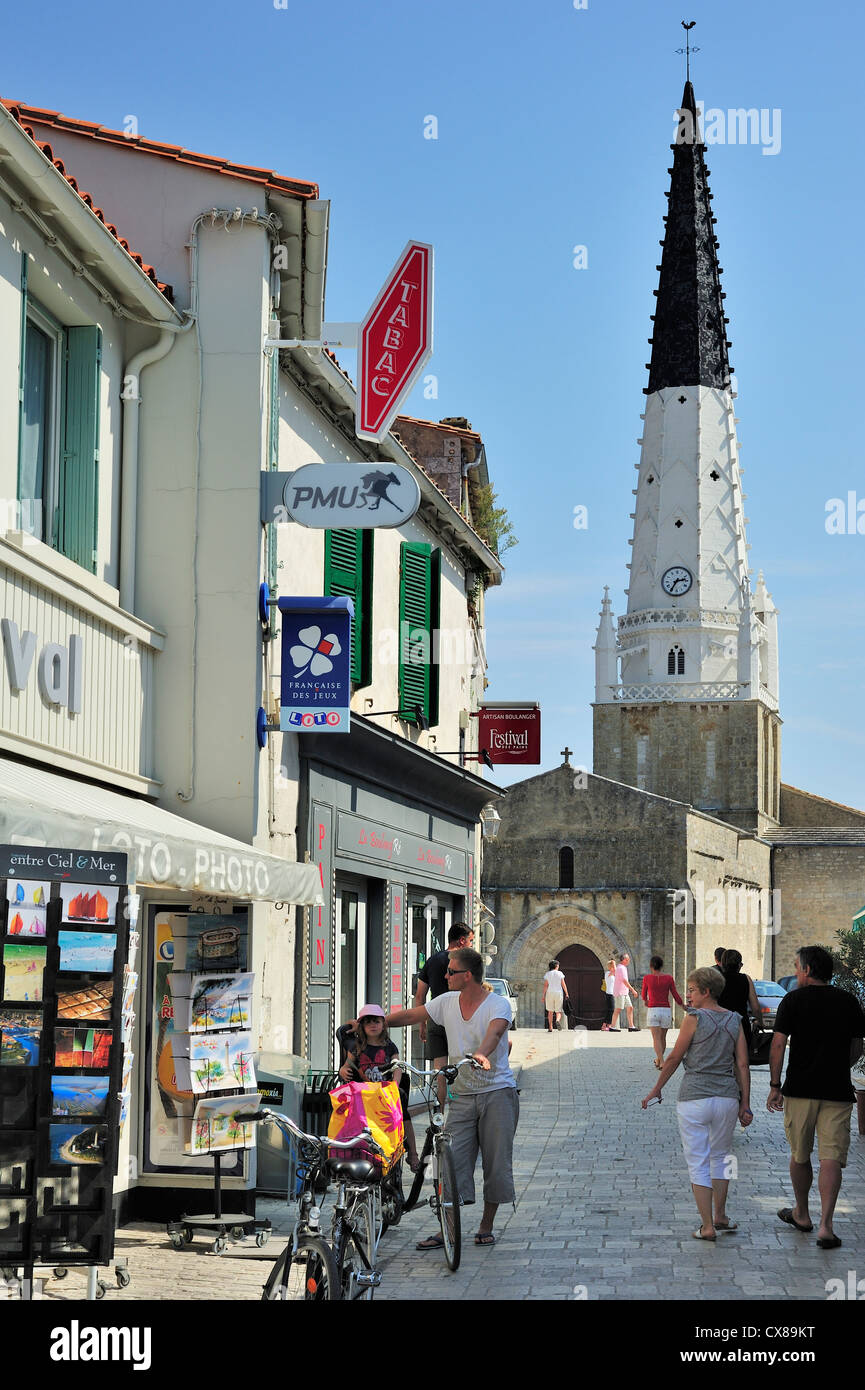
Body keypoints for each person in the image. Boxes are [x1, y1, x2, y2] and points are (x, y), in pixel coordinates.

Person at [385, 947, 518, 1249]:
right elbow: (411, 1014)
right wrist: (377, 1022)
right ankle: (448, 1229)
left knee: (496, 1164)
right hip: (462, 1095)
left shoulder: (497, 1004)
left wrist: (482, 1053)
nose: (444, 976)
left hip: (497, 1092)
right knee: (449, 1164)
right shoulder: (446, 1002)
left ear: (467, 976)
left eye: (450, 972)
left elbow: (495, 1034)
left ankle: (486, 1224)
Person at [642, 966, 753, 1239]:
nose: (688, 996)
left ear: (706, 991)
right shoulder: (734, 1019)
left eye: (691, 990)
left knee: (698, 1161)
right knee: (722, 1156)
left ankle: (707, 1226)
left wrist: (657, 1088)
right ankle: (721, 1215)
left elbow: (675, 1058)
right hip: (727, 1097)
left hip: (694, 1097)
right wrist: (745, 1103)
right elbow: (742, 1064)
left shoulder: (693, 1018)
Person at [768, 945, 865, 1249]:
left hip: (800, 1090)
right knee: (831, 1157)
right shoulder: (849, 1001)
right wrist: (838, 1067)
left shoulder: (793, 1000)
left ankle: (802, 1213)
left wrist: (774, 1084)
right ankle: (826, 1225)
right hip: (837, 1091)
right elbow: (857, 1046)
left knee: (800, 1154)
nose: (796, 972)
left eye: (797, 966)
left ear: (808, 970)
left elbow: (778, 1045)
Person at [337, 1004, 419, 1171]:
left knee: (404, 1116)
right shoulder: (357, 1047)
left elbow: (397, 1067)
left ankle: (413, 1154)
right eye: (368, 1022)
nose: (373, 1025)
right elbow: (346, 1065)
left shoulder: (389, 1046)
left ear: (383, 1024)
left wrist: (394, 1086)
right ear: (362, 1026)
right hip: (365, 1096)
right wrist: (343, 1070)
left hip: (386, 1093)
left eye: (376, 1021)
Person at [414, 922, 474, 1104]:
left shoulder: (432, 961)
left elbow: (420, 996)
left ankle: (438, 1113)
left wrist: (422, 1024)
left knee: (439, 1071)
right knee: (461, 1068)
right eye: (471, 940)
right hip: (460, 1020)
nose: (472, 944)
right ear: (462, 941)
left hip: (435, 1019)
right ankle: (460, 1110)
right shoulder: (466, 962)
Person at [641, 955, 684, 1068]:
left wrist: (646, 1001)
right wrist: (683, 1005)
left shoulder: (647, 978)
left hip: (653, 1010)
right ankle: (658, 1060)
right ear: (662, 966)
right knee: (662, 1038)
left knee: (656, 1038)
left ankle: (662, 1061)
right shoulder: (669, 978)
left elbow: (643, 995)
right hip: (666, 1011)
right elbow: (675, 994)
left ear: (651, 966)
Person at [717, 949, 760, 1049]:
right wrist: (760, 1022)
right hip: (741, 1025)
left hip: (720, 1025)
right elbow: (756, 1008)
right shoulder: (746, 979)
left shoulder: (717, 979)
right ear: (739, 964)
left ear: (722, 963)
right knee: (741, 1060)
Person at [609, 953, 640, 1032]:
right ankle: (612, 1027)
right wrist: (632, 990)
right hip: (620, 992)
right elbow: (624, 980)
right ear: (623, 960)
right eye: (627, 959)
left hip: (624, 992)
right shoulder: (621, 968)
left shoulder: (622, 968)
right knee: (618, 1009)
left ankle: (631, 1026)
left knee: (630, 1008)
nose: (628, 960)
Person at [542, 959, 568, 1031]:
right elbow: (563, 984)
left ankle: (550, 1027)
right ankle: (557, 1020)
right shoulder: (560, 973)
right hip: (558, 993)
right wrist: (566, 993)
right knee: (558, 1011)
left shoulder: (548, 974)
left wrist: (543, 996)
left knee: (550, 1011)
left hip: (550, 993)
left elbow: (545, 986)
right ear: (556, 966)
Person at [601, 957, 616, 1031]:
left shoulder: (613, 975)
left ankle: (605, 1025)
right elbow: (615, 970)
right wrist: (613, 963)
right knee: (611, 1010)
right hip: (609, 994)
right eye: (613, 966)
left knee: (610, 1010)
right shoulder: (607, 973)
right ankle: (607, 1025)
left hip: (612, 993)